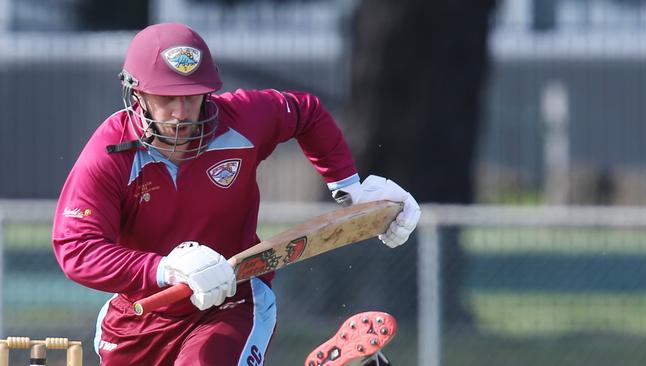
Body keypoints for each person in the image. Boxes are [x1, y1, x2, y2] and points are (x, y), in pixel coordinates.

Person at [52, 22, 420, 366]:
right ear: (137, 93)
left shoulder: (243, 118)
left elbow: (307, 113)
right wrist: (164, 268)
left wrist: (349, 187)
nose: (182, 113)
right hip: (141, 313)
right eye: (167, 97)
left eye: (192, 97)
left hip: (233, 300)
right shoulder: (109, 153)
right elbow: (76, 249)